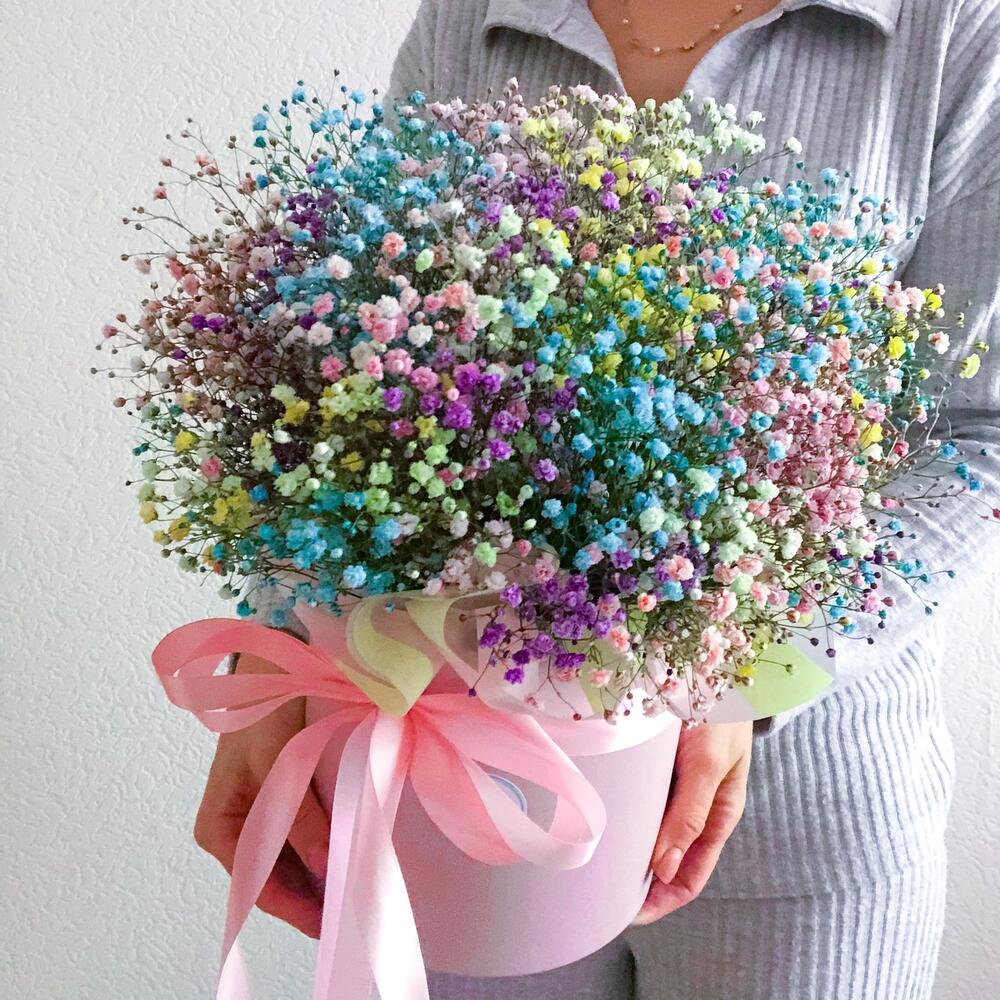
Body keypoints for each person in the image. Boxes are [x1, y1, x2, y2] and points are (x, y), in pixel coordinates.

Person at [194, 1, 1000, 997]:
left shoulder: (954, 29)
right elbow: (359, 361)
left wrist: (734, 671)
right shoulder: (479, 12)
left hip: (801, 819)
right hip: (470, 791)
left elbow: (979, 435)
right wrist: (277, 650)